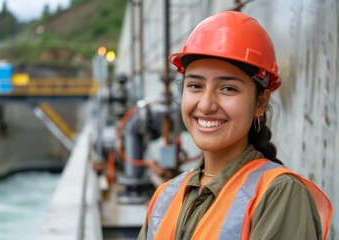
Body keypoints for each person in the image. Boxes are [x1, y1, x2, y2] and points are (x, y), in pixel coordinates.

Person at [138, 11, 332, 240]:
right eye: (195, 86)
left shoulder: (278, 195)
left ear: (260, 103)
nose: (206, 104)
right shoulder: (164, 197)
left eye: (228, 88)